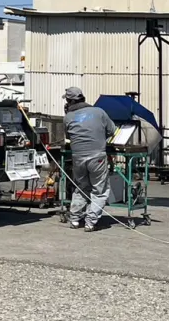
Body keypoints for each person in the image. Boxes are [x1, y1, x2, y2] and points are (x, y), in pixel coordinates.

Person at [63, 86, 117, 232]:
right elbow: (112, 131)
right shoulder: (99, 112)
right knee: (99, 190)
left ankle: (74, 219)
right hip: (97, 157)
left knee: (81, 188)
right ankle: (90, 222)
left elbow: (68, 137)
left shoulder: (68, 117)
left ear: (69, 101)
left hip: (78, 158)